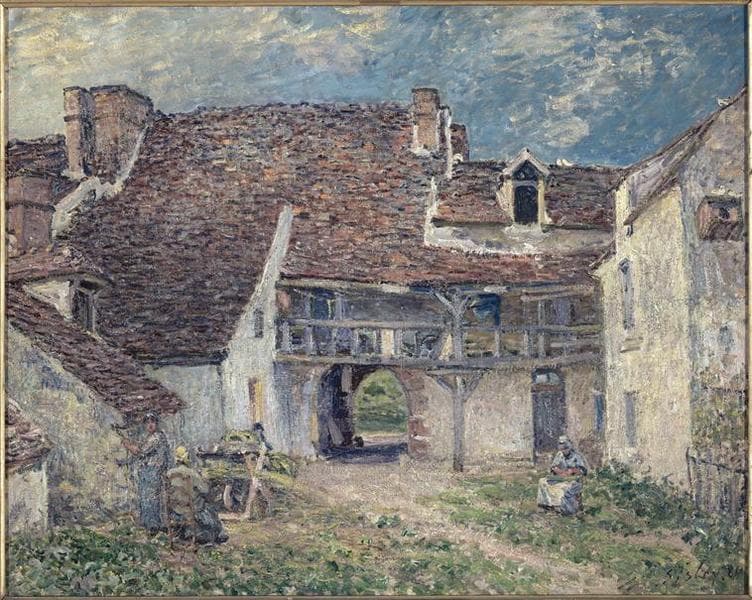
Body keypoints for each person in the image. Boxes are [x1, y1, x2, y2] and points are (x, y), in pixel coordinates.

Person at [119, 411, 172, 533]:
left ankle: (153, 525)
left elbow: (140, 451)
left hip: (153, 472)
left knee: (150, 498)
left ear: (156, 423)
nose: (150, 425)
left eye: (152, 422)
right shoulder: (150, 437)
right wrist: (125, 461)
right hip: (147, 472)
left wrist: (127, 445)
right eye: (147, 422)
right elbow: (140, 454)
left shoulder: (157, 437)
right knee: (145, 497)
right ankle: (148, 523)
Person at [166, 446, 228, 545]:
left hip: (175, 510)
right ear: (187, 458)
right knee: (209, 507)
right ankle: (217, 535)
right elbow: (205, 490)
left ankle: (186, 534)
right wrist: (205, 479)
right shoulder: (192, 473)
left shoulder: (169, 473)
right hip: (191, 510)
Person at [537, 435, 589, 516]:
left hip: (573, 480)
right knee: (542, 481)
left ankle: (563, 509)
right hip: (560, 478)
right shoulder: (559, 455)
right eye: (562, 449)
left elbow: (583, 470)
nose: (564, 451)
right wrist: (557, 470)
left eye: (565, 449)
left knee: (565, 488)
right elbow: (553, 467)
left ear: (569, 447)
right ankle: (546, 506)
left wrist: (572, 470)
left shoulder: (576, 456)